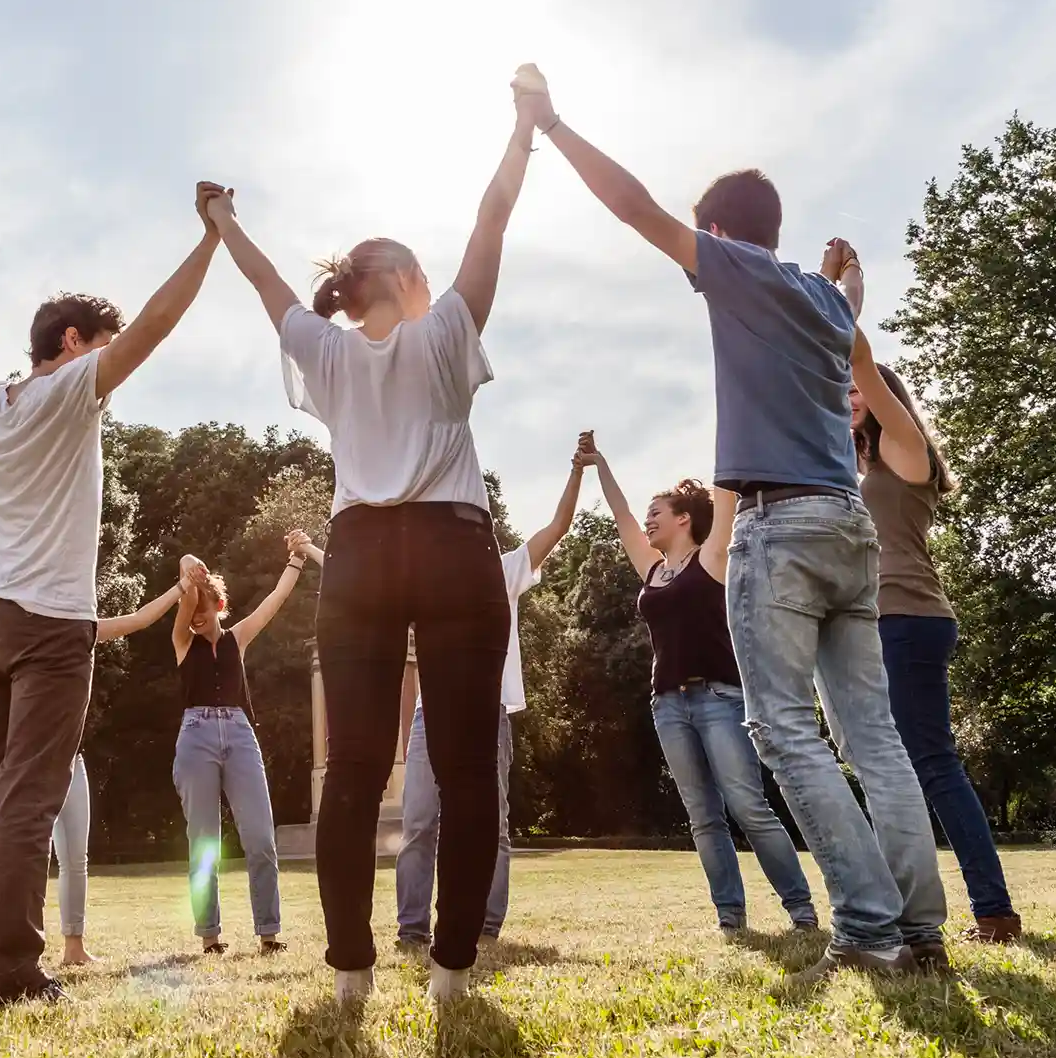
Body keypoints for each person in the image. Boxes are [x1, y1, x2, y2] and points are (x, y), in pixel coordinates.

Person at [524, 65, 947, 978]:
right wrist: (845, 272)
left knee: (784, 730)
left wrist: (554, 126)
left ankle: (869, 928)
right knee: (874, 737)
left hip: (778, 523)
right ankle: (921, 928)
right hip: (848, 526)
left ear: (717, 233)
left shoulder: (735, 270)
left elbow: (635, 207)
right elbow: (852, 303)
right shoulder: (828, 302)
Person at [198, 66, 538, 1005]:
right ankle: (452, 971)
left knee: (351, 767)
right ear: (403, 278)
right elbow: (492, 219)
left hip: (359, 560)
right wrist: (522, 126)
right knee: (469, 770)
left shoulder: (329, 347)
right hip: (451, 547)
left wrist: (224, 219)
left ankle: (351, 967)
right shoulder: (444, 332)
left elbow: (269, 284)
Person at [0, 204, 221, 1010]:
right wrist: (212, 238)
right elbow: (155, 325)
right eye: (103, 343)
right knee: (28, 794)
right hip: (52, 624)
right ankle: (13, 973)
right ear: (76, 343)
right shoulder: (72, 390)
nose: (113, 361)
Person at [829, 244, 1020, 943]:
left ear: (885, 399)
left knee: (932, 763)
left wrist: (848, 288)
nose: (849, 400)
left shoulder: (908, 451)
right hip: (880, 624)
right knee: (891, 764)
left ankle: (994, 910)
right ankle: (901, 901)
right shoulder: (857, 465)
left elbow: (856, 361)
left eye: (859, 395)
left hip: (908, 620)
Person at [580, 436, 818, 936]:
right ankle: (730, 918)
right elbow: (620, 513)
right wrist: (599, 464)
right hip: (667, 704)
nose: (647, 521)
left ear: (683, 517)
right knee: (703, 817)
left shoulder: (713, 559)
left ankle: (801, 911)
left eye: (656, 512)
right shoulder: (653, 570)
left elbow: (724, 493)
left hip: (720, 698)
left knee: (749, 806)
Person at [392, 444, 588, 949]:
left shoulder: (506, 570)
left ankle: (485, 925)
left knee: (492, 825)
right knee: (418, 822)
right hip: (427, 714)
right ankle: (411, 930)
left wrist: (575, 471)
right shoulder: (424, 583)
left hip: (488, 710)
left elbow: (559, 527)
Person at [169, 531, 315, 954]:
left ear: (219, 606)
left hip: (238, 733)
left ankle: (269, 934)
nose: (196, 617)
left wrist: (296, 559)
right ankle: (210, 937)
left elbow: (274, 601)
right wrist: (190, 568)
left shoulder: (237, 638)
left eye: (202, 610)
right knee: (203, 843)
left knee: (261, 839)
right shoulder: (182, 642)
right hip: (195, 737)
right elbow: (187, 565)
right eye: (191, 611)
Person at [50, 583, 187, 968]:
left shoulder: (82, 629)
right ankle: (18, 948)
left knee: (76, 858)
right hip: (31, 764)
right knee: (30, 856)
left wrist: (180, 588)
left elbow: (139, 620)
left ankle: (73, 947)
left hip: (72, 761)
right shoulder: (26, 634)